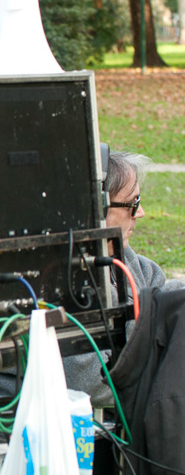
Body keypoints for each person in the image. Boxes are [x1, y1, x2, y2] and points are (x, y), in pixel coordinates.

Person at [61, 148, 184, 404]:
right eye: (133, 203)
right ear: (98, 207)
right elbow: (92, 382)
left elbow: (162, 297)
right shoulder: (61, 284)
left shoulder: (133, 263)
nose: (140, 213)